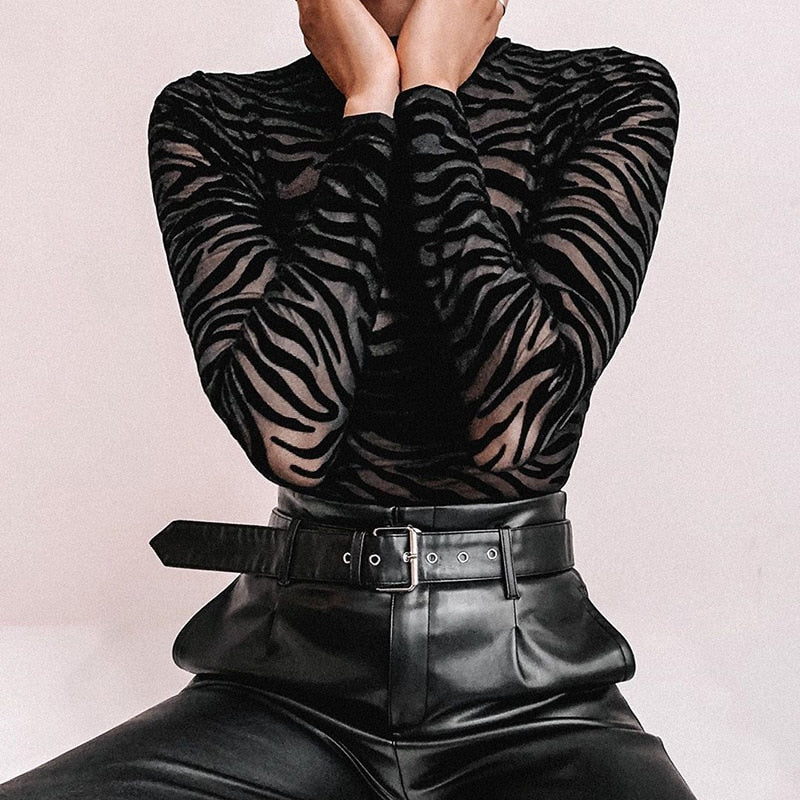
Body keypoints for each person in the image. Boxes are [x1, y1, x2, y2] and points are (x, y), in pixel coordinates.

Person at [2, 0, 695, 797]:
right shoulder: (216, 116)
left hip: (535, 698)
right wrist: (369, 106)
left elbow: (519, 421)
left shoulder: (607, 96)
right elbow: (290, 433)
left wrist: (429, 95)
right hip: (285, 693)